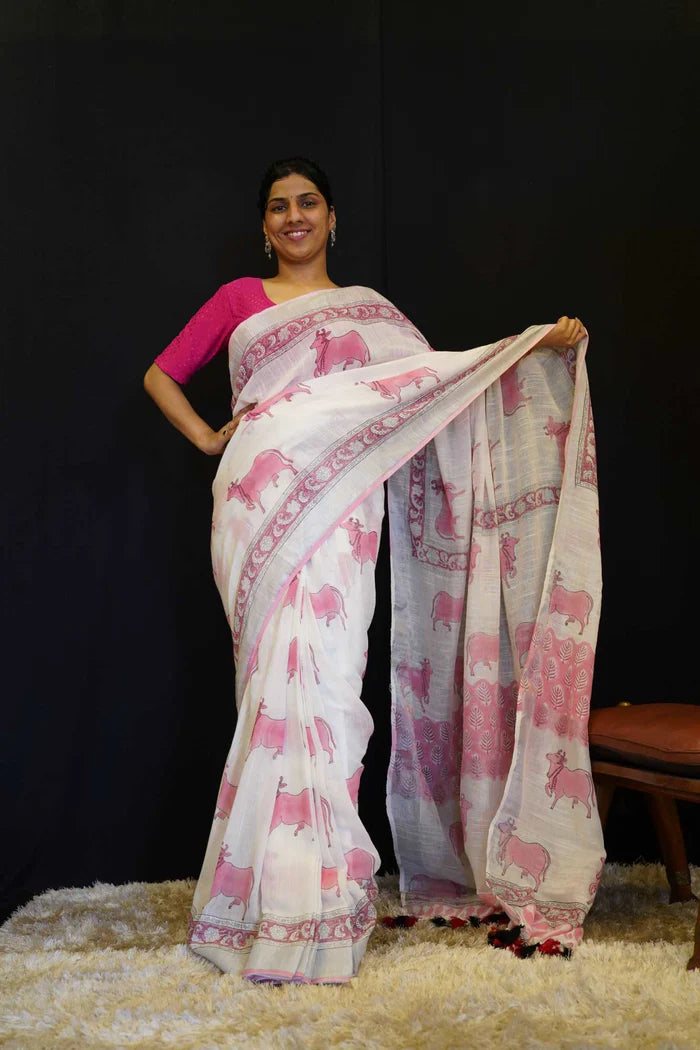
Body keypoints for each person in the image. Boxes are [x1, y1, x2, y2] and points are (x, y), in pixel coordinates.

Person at [144, 157, 602, 984]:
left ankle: (314, 906)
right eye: (278, 207)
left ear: (332, 217)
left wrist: (534, 347)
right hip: (258, 500)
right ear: (264, 226)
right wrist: (211, 437)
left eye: (307, 203)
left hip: (340, 513)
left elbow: (436, 387)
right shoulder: (238, 300)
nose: (293, 217)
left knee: (324, 687)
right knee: (273, 690)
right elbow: (161, 374)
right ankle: (264, 906)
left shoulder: (373, 317)